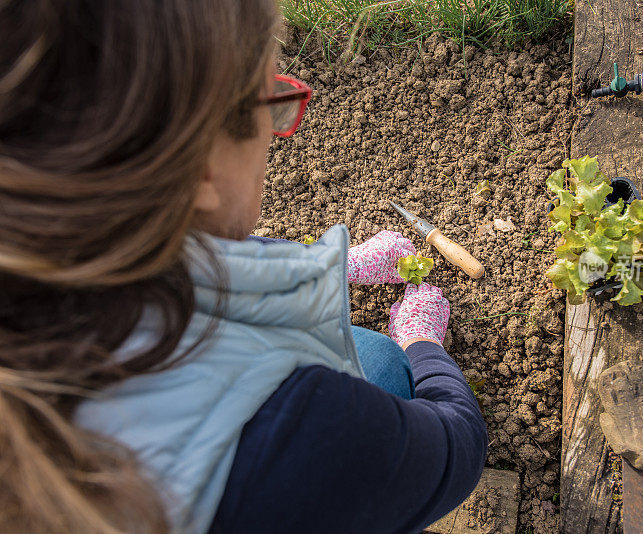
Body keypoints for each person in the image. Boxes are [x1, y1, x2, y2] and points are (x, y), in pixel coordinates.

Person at [0, 1, 488, 533]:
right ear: (202, 166)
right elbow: (457, 448)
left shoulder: (36, 250)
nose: (278, 129)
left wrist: (339, 269)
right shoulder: (295, 427)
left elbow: (177, 264)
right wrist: (424, 345)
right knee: (393, 365)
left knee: (370, 355)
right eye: (274, 102)